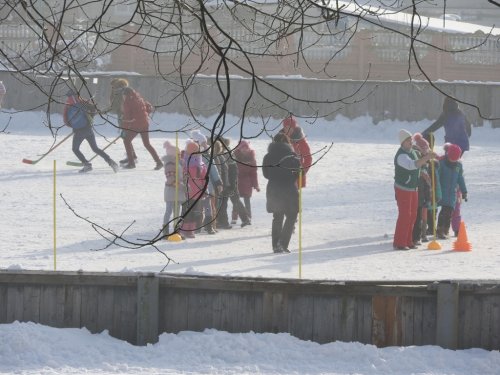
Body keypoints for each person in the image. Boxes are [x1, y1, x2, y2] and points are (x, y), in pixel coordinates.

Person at [393, 129, 436, 250]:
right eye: (407, 140)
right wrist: (427, 157)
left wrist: (423, 172)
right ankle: (399, 242)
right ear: (402, 143)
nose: (410, 142)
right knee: (405, 215)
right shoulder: (401, 155)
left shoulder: (413, 152)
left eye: (410, 140)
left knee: (413, 215)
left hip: (413, 188)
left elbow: (419, 166)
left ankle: (408, 240)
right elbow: (412, 165)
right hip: (403, 188)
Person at [262, 132, 301, 253]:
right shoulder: (292, 156)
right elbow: (299, 173)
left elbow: (266, 174)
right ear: (287, 142)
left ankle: (275, 246)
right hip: (289, 189)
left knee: (277, 217)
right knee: (291, 216)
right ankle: (283, 244)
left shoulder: (268, 156)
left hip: (274, 189)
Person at [63, 89, 118, 173]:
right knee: (95, 148)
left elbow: (66, 119)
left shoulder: (68, 104)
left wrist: (73, 126)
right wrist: (89, 120)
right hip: (88, 128)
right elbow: (93, 109)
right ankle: (111, 162)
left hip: (78, 131)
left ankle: (87, 165)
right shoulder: (83, 101)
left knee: (75, 149)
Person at [120, 87, 163, 170]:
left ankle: (131, 163)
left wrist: (124, 129)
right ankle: (159, 162)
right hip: (144, 124)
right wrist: (142, 115)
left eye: (123, 95)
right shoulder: (139, 98)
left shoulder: (127, 102)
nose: (123, 97)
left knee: (126, 140)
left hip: (137, 125)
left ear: (126, 95)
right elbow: (149, 107)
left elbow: (127, 117)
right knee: (147, 144)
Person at [436, 143, 468, 239]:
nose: (453, 161)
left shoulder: (458, 165)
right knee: (444, 211)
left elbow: (460, 178)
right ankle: (440, 230)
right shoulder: (441, 163)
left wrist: (464, 191)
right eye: (451, 159)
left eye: (455, 160)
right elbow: (436, 175)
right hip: (443, 191)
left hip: (452, 193)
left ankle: (445, 230)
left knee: (450, 211)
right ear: (448, 155)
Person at [180, 140, 208, 238]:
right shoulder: (184, 163)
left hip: (198, 191)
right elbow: (182, 176)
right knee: (187, 210)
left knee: (194, 210)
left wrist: (204, 188)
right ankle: (184, 229)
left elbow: (204, 177)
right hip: (188, 190)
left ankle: (190, 229)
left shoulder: (201, 163)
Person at [108, 78, 136, 165]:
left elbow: (114, 107)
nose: (112, 88)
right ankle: (131, 156)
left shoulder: (120, 94)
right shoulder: (128, 92)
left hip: (124, 119)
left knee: (126, 138)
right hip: (125, 118)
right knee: (126, 138)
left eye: (113, 87)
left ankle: (131, 157)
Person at [161, 140, 186, 239]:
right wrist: (182, 186)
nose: (180, 155)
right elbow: (171, 179)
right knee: (169, 211)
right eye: (178, 153)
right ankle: (165, 231)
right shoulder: (170, 163)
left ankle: (177, 230)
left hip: (178, 191)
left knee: (177, 212)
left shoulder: (178, 162)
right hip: (172, 191)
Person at [232, 140, 260, 224]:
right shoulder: (235, 157)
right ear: (239, 148)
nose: (244, 150)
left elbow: (253, 173)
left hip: (247, 182)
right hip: (237, 182)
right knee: (236, 201)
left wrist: (256, 185)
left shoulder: (252, 159)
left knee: (247, 201)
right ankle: (234, 217)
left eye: (246, 148)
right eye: (242, 148)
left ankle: (248, 217)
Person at [280, 116, 312, 188]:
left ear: (294, 128)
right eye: (286, 127)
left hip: (296, 178)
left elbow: (308, 159)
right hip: (282, 178)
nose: (287, 130)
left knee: (294, 198)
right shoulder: (279, 139)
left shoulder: (300, 141)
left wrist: (302, 171)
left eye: (290, 128)